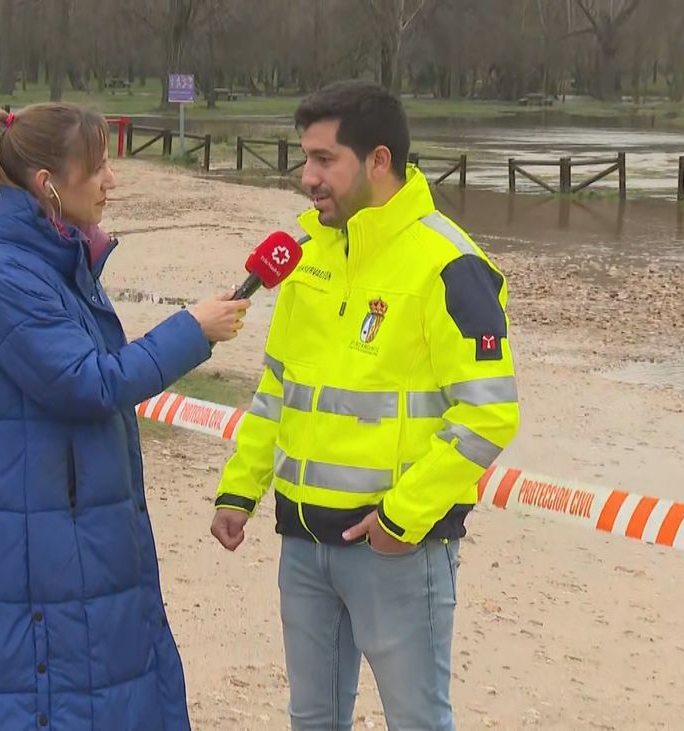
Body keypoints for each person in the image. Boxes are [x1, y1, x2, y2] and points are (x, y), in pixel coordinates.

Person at [210, 80, 521, 731]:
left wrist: (401, 519)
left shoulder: (450, 264)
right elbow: (279, 387)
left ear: (379, 160)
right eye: (306, 158)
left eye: (325, 160)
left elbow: (489, 414)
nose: (308, 177)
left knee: (418, 720)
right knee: (313, 719)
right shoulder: (306, 251)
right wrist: (239, 490)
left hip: (397, 549)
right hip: (301, 540)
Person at [0, 103, 248, 730]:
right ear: (47, 183)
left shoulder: (57, 261)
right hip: (39, 546)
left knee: (116, 689)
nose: (112, 180)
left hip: (74, 531)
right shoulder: (3, 275)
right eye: (99, 166)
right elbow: (87, 382)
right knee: (52, 701)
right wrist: (192, 331)